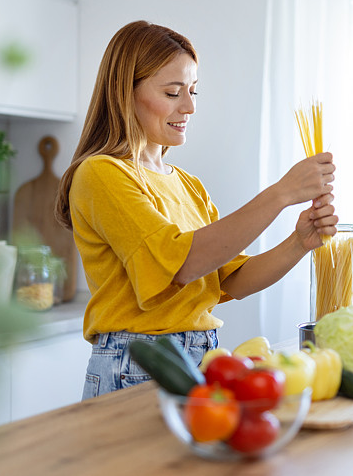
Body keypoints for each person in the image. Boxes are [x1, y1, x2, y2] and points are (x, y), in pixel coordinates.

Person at [55, 20, 337, 398]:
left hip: (202, 357)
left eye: (192, 91)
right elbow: (181, 265)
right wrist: (282, 193)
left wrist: (299, 243)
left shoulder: (188, 185)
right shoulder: (101, 174)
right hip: (138, 364)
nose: (188, 106)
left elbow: (229, 279)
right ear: (125, 93)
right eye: (173, 92)